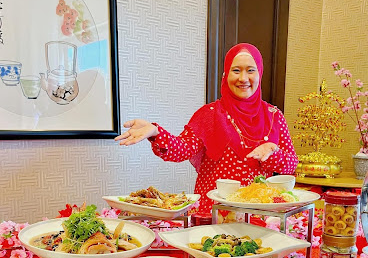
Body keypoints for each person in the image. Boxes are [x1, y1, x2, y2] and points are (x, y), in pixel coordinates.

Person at [115, 43, 298, 214]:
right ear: (226, 75)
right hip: (213, 215)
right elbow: (182, 149)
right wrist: (156, 132)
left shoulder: (274, 116)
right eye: (236, 70)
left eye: (251, 70)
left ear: (260, 73)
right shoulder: (209, 114)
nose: (243, 78)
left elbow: (291, 165)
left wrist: (273, 152)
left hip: (259, 214)